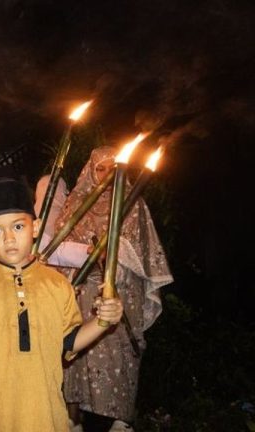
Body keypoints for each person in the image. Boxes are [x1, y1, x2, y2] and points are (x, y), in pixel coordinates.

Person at [0, 177, 124, 432]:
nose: (9, 239)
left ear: (36, 227)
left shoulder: (57, 284)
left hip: (46, 415)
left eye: (18, 226)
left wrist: (103, 321)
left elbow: (69, 341)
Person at [52, 147, 173, 432]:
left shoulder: (134, 204)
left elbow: (143, 249)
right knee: (79, 354)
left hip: (121, 292)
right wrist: (87, 254)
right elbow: (58, 247)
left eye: (113, 169)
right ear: (90, 172)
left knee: (119, 355)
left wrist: (114, 255)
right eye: (100, 169)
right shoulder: (75, 204)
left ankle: (119, 420)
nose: (107, 175)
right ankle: (75, 420)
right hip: (83, 293)